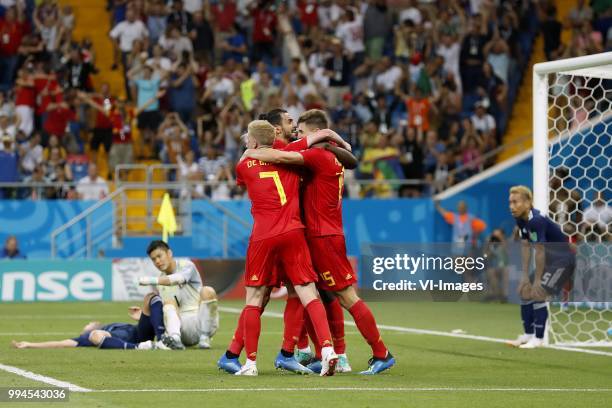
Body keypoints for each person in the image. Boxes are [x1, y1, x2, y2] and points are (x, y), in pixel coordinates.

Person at [242, 110, 395, 375]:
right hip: (320, 233)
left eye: (301, 132)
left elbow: (279, 155)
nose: (298, 136)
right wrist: (337, 144)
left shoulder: (316, 156)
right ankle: (319, 351)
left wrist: (251, 153)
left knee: (345, 297)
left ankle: (379, 353)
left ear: (312, 133)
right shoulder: (331, 157)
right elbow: (349, 159)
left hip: (322, 236)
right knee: (318, 296)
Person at [222, 120, 339, 377]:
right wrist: (335, 137)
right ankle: (328, 350)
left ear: (252, 141)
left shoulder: (244, 164)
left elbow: (244, 172)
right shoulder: (290, 157)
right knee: (309, 293)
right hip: (294, 232)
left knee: (253, 299)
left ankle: (250, 363)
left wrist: (252, 151)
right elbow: (314, 139)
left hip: (264, 236)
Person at [506, 186, 576, 349]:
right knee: (525, 292)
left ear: (527, 202)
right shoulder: (520, 219)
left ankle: (538, 339)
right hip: (549, 261)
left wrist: (537, 280)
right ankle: (528, 335)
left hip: (562, 261)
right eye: (510, 202)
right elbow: (525, 246)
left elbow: (540, 251)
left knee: (538, 293)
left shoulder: (536, 220)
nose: (511, 206)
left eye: (515, 202)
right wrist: (524, 277)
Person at [139, 240, 219, 350]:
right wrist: (143, 316)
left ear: (169, 253)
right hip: (181, 330)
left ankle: (204, 338)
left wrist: (151, 280)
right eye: (154, 259)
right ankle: (175, 339)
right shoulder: (160, 283)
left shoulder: (187, 265)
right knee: (168, 303)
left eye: (159, 256)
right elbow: (166, 312)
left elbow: (178, 279)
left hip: (201, 322)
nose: (157, 261)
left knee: (208, 291)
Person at [12, 293, 167, 350]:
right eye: (88, 323)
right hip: (138, 341)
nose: (91, 323)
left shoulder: (111, 326)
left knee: (151, 297)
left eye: (91, 323)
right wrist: (30, 344)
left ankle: (165, 340)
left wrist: (140, 317)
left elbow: (143, 326)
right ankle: (139, 348)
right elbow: (61, 343)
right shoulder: (85, 338)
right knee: (95, 336)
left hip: (141, 332)